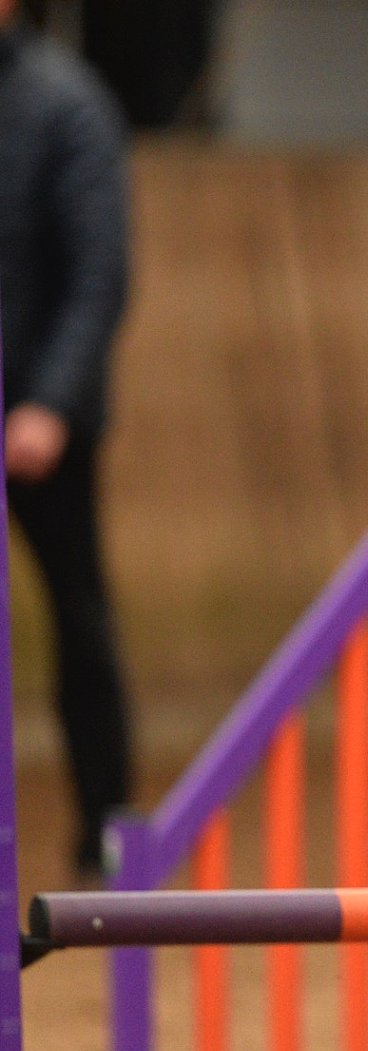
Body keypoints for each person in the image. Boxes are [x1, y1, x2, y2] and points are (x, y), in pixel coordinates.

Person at [0, 0, 134, 885]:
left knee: (79, 622)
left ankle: (106, 834)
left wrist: (48, 403)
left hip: (40, 422)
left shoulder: (66, 105)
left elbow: (99, 273)